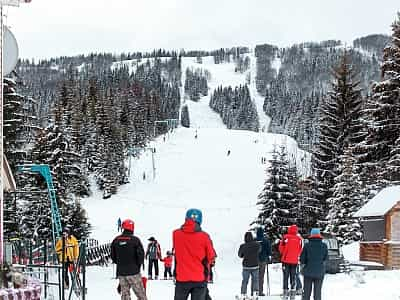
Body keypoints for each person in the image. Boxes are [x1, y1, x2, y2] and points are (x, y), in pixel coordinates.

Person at [173, 208, 216, 300]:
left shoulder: (176, 234)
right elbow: (211, 256)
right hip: (199, 278)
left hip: (181, 277)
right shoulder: (205, 237)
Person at [111, 219, 147, 300]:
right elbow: (141, 256)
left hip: (121, 272)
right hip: (134, 272)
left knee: (125, 295)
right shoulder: (135, 240)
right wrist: (137, 266)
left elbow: (113, 257)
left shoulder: (116, 240)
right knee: (141, 295)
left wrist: (121, 263)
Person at [300, 228, 328, 300]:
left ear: (311, 235)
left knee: (306, 292)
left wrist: (302, 268)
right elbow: (326, 259)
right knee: (317, 293)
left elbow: (302, 259)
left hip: (308, 272)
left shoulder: (307, 245)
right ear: (319, 235)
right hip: (320, 272)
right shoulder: (324, 246)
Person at [278, 225, 302, 298]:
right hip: (294, 261)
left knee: (285, 277)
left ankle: (285, 293)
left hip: (285, 260)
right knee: (293, 277)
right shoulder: (299, 239)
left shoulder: (285, 238)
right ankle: (293, 293)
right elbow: (300, 250)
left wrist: (284, 253)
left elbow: (280, 248)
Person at [238, 231, 261, 298]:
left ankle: (243, 294)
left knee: (245, 281)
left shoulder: (242, 246)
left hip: (246, 266)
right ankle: (255, 293)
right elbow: (259, 251)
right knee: (255, 280)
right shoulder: (257, 245)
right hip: (255, 265)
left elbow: (240, 255)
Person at [256, 227, 272, 296]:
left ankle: (254, 291)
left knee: (255, 276)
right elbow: (269, 251)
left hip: (255, 260)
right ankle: (260, 291)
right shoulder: (266, 241)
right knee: (261, 276)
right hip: (263, 260)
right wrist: (268, 256)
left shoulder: (254, 240)